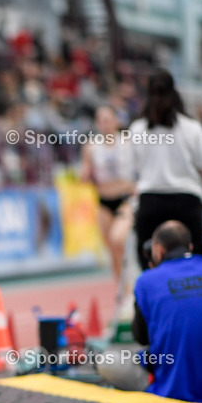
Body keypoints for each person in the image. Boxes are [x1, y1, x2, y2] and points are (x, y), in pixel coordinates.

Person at [128, 70, 202, 269]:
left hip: (150, 201)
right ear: (175, 93)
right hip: (186, 201)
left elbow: (132, 169)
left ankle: (149, 299)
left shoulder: (137, 130)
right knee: (194, 263)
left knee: (148, 263)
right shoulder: (191, 128)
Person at [131, 221, 202, 402]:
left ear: (158, 250)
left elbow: (141, 337)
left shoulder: (147, 281)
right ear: (189, 246)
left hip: (174, 394)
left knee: (111, 362)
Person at [80, 104, 135, 285]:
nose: (105, 124)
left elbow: (141, 167)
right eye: (101, 120)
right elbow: (85, 173)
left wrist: (136, 186)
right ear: (97, 123)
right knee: (111, 249)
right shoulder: (91, 147)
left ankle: (133, 280)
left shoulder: (127, 142)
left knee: (117, 238)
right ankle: (122, 290)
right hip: (103, 200)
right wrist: (85, 176)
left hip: (125, 199)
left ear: (116, 121)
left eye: (108, 119)